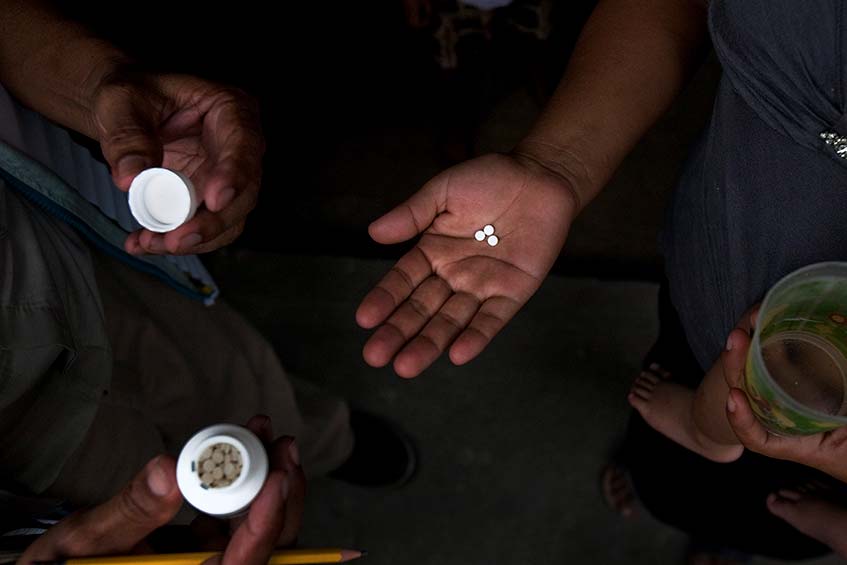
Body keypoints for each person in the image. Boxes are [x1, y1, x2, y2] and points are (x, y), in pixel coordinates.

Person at [357, 0, 847, 560]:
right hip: (702, 285)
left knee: (754, 508)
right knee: (668, 445)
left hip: (806, 426)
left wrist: (710, 430)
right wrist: (557, 163)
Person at [0, 0, 414, 551]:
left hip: (53, 261)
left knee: (229, 375)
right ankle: (312, 447)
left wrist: (105, 86)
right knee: (171, 509)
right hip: (32, 455)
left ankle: (330, 441)